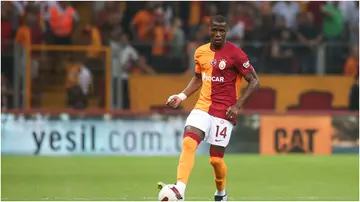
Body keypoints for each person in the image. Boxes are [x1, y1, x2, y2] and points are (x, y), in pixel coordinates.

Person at [158, 15, 259, 201]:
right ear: (209, 30)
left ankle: (221, 193)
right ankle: (180, 189)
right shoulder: (200, 52)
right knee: (188, 142)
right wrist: (181, 96)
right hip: (202, 107)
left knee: (216, 160)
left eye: (222, 30)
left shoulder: (236, 54)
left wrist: (237, 106)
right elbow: (198, 77)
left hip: (225, 112)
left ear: (226, 32)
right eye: (215, 30)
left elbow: (254, 80)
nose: (218, 34)